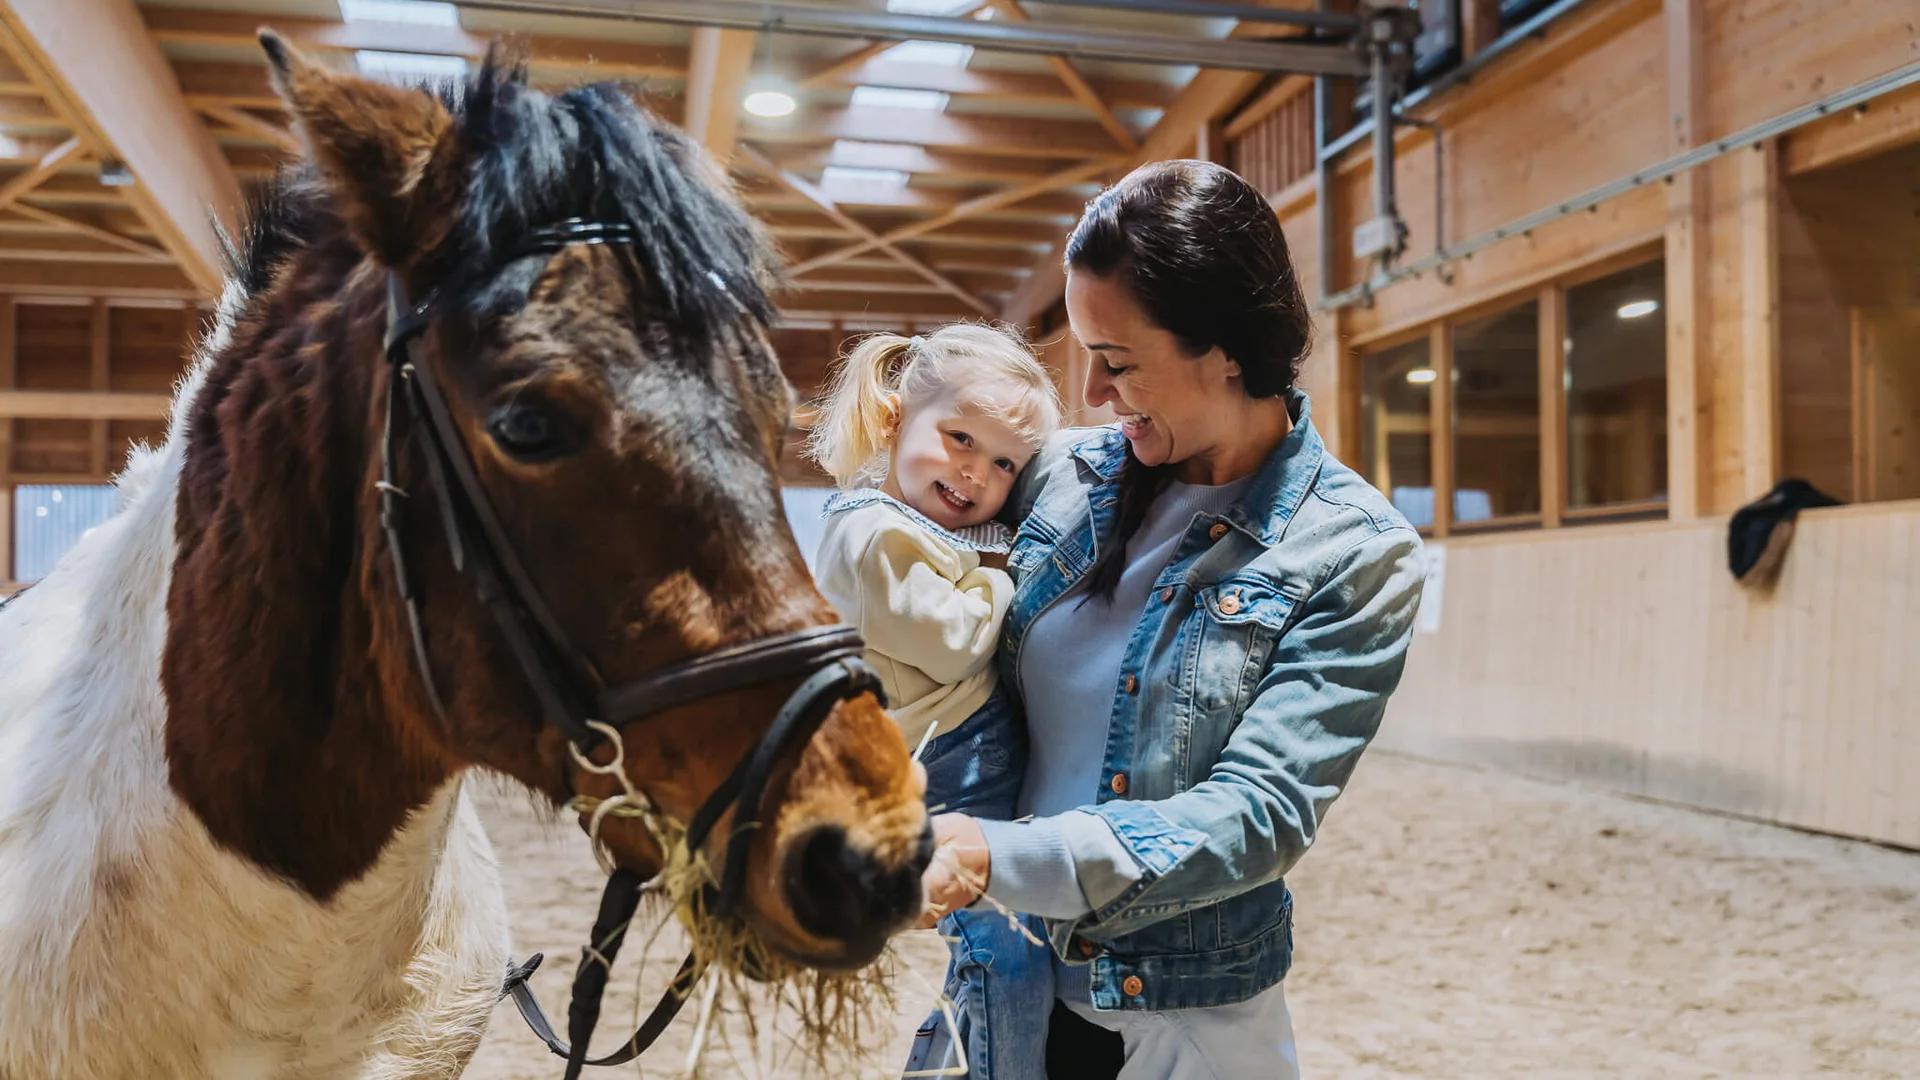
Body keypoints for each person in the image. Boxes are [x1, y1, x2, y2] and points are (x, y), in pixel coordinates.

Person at [910, 160, 1427, 1080]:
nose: (1097, 395)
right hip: (1002, 987)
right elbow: (894, 551)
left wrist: (999, 853)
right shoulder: (1056, 477)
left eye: (1117, 363)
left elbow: (1259, 814)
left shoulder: (1355, 550)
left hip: (1184, 1019)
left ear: (1225, 349)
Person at [807, 321, 1063, 813]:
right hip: (938, 751)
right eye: (961, 437)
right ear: (893, 420)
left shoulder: (920, 526)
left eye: (1005, 464)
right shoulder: (873, 536)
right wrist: (995, 572)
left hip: (949, 738)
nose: (977, 472)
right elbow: (955, 646)